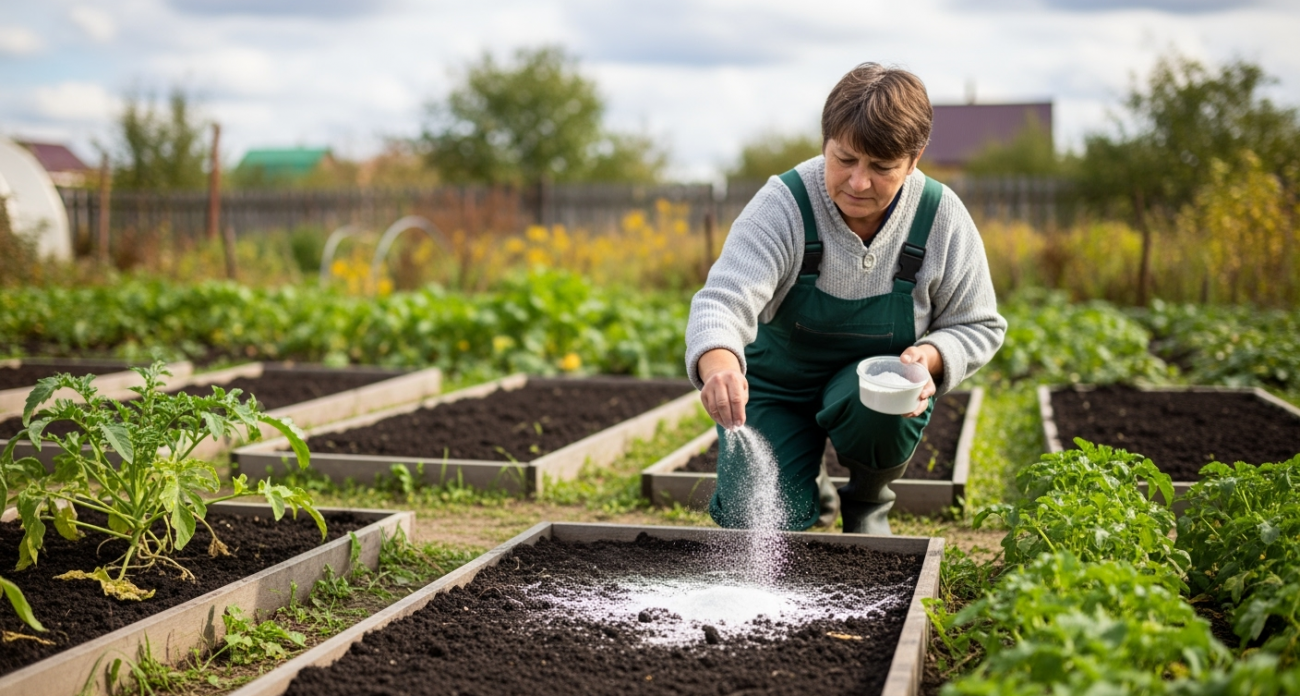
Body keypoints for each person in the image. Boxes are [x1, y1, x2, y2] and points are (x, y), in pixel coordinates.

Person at [686, 62, 1006, 535]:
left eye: (881, 168)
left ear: (914, 159)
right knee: (751, 518)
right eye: (845, 159)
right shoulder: (785, 204)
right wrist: (720, 367)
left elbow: (978, 322)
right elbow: (723, 299)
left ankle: (869, 504)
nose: (858, 182)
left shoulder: (940, 217)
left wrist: (933, 356)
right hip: (778, 385)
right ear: (825, 142)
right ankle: (806, 481)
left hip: (871, 392)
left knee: (884, 400)